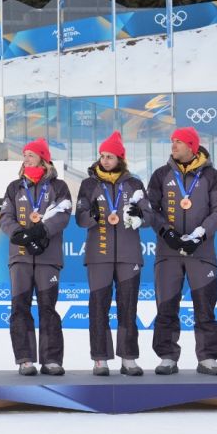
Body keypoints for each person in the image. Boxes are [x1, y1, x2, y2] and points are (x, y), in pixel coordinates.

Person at [145, 126, 217, 376]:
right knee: (166, 307)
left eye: (179, 142)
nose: (173, 145)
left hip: (201, 252)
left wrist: (201, 233)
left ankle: (207, 357)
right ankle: (167, 356)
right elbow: (151, 209)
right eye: (172, 141)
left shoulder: (211, 175)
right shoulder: (161, 174)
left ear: (192, 146)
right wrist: (166, 232)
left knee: (205, 307)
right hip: (168, 252)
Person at [73, 131, 147, 377]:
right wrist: (91, 216)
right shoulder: (89, 184)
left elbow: (149, 216)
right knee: (98, 307)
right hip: (99, 255)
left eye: (110, 156)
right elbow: (80, 219)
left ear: (120, 159)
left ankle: (129, 358)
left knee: (128, 307)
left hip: (129, 255)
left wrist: (140, 216)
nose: (105, 160)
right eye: (102, 156)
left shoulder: (134, 184)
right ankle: (100, 358)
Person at [0, 138, 72, 375]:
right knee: (20, 307)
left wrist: (42, 231)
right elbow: (5, 216)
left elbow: (63, 214)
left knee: (48, 308)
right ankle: (25, 359)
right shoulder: (14, 187)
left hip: (48, 258)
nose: (26, 158)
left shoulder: (59, 186)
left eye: (31, 154)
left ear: (43, 158)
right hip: (20, 257)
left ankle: (51, 360)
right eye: (25, 154)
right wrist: (19, 234)